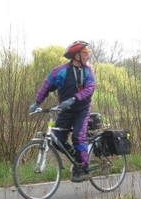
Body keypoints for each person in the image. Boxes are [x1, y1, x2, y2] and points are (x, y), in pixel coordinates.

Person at [29, 40, 96, 182]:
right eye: (85, 53)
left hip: (82, 109)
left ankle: (83, 167)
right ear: (76, 56)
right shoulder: (60, 71)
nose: (88, 56)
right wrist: (37, 102)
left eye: (88, 53)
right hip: (66, 110)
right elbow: (47, 85)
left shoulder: (88, 71)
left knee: (78, 136)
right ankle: (77, 157)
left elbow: (90, 88)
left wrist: (74, 98)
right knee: (57, 139)